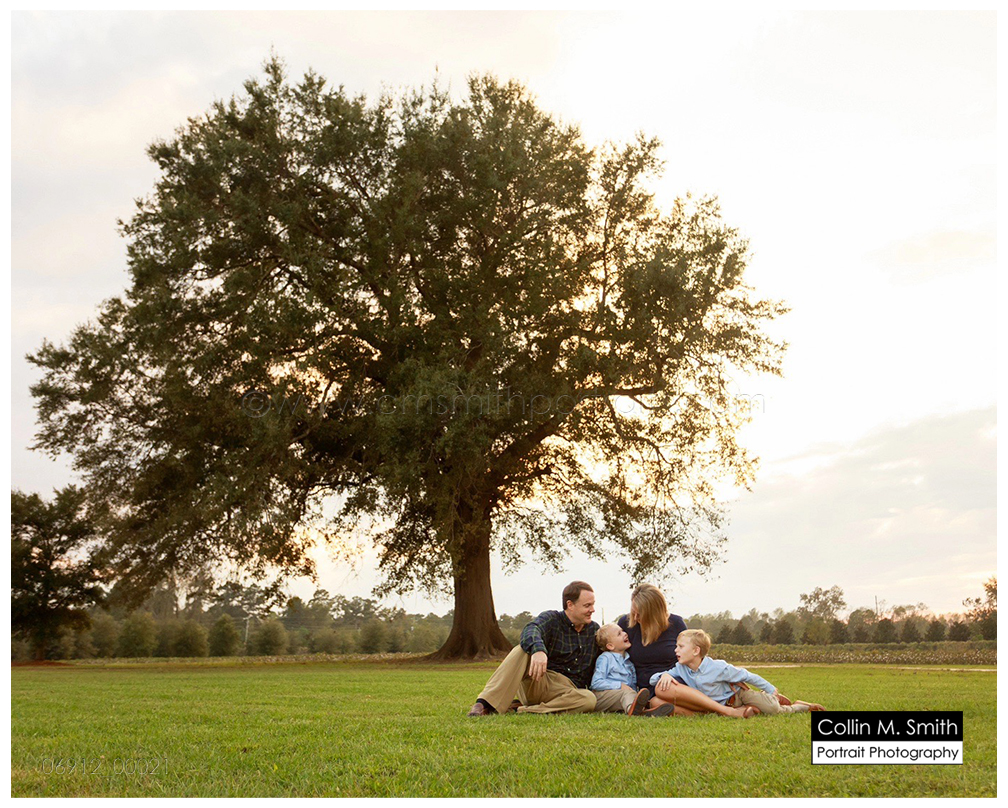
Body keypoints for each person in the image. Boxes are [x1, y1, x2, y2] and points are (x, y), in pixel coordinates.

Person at [467, 581, 600, 716]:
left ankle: (523, 710)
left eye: (593, 604)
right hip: (540, 680)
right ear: (570, 605)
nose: (592, 609)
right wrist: (538, 650)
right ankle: (483, 704)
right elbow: (531, 629)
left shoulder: (594, 630)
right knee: (521, 650)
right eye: (587, 605)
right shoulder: (552, 619)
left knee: (589, 699)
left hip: (569, 692)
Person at [617, 583, 749, 718]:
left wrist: (722, 674)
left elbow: (695, 654)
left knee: (663, 689)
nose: (635, 618)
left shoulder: (676, 623)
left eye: (640, 614)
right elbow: (614, 653)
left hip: (675, 682)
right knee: (656, 702)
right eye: (633, 612)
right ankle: (709, 713)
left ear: (655, 612)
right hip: (648, 687)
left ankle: (727, 711)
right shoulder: (625, 624)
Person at [649, 629, 825, 717]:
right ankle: (751, 709)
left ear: (696, 651)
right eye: (676, 646)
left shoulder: (718, 667)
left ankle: (798, 706)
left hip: (738, 696)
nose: (675, 650)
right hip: (717, 705)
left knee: (772, 709)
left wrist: (771, 688)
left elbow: (747, 676)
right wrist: (664, 675)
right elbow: (653, 680)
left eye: (680, 647)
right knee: (761, 710)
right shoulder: (680, 668)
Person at [589, 623, 650, 716]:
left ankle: (640, 708)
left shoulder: (629, 663)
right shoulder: (606, 658)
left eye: (623, 631)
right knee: (626, 693)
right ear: (610, 646)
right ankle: (634, 711)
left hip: (622, 697)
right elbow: (596, 683)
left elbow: (632, 686)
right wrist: (619, 685)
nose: (625, 634)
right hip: (602, 697)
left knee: (630, 693)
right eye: (619, 634)